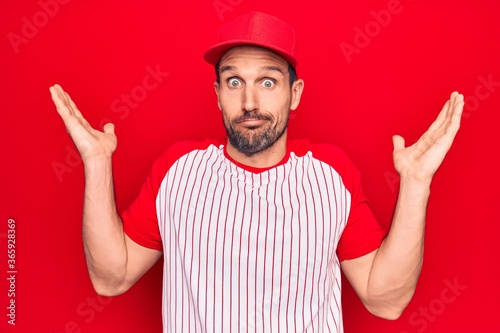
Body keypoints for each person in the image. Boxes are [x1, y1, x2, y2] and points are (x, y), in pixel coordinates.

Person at [50, 11, 464, 333]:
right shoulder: (177, 170)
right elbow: (111, 277)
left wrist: (415, 184)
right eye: (234, 81)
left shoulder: (330, 175)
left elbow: (384, 299)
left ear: (294, 93)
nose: (250, 102)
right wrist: (97, 163)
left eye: (268, 82)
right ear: (217, 94)